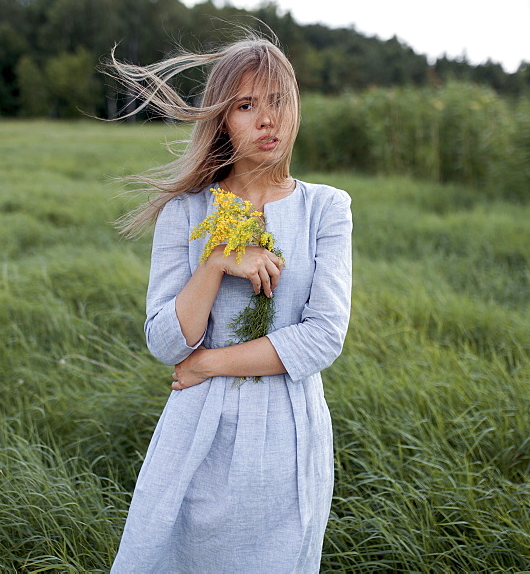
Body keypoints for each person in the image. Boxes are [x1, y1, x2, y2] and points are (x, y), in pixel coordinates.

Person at [109, 33, 353, 573]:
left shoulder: (327, 209)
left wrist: (208, 364)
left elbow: (323, 336)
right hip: (198, 428)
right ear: (222, 119)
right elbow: (167, 340)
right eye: (246, 106)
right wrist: (217, 260)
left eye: (278, 101)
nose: (267, 120)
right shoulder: (186, 210)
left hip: (288, 430)